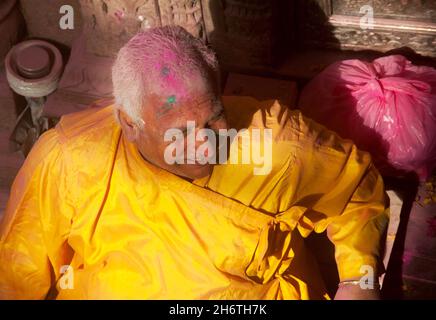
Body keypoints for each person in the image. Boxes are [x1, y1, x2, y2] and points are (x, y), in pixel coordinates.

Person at [0, 26, 389, 300]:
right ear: (129, 124)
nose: (205, 142)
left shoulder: (276, 145)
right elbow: (17, 271)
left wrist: (360, 280)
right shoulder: (71, 157)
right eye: (179, 133)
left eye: (213, 118)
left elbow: (357, 188)